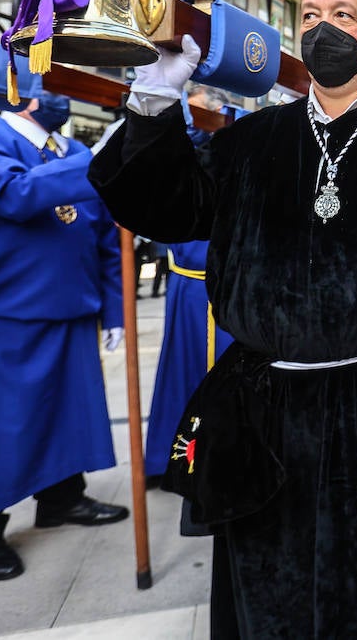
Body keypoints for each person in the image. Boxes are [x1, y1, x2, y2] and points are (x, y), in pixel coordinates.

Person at [90, 0, 357, 638]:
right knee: (268, 582)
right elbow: (167, 208)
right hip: (263, 407)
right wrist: (156, 101)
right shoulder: (252, 141)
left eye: (343, 15)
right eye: (310, 15)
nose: (323, 29)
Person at [0, 93, 128, 581]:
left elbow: (105, 238)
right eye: (54, 82)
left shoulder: (74, 153)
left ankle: (61, 499)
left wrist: (113, 310)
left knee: (68, 411)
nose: (66, 98)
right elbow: (14, 194)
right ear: (21, 90)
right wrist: (102, 162)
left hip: (70, 306)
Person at [142, 87, 235, 481]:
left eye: (202, 112)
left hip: (230, 289)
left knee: (228, 381)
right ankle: (174, 458)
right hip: (188, 287)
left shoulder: (234, 150)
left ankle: (224, 460)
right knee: (183, 374)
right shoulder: (175, 158)